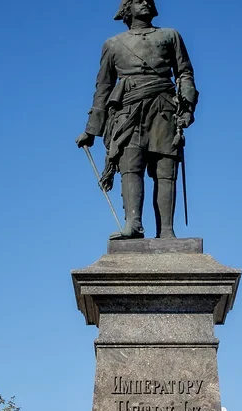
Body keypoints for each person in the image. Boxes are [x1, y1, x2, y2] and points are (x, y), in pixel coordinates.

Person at [76, 0, 198, 241]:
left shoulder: (170, 35)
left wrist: (187, 107)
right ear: (125, 10)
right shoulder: (112, 45)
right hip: (127, 111)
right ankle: (133, 224)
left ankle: (166, 231)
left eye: (147, 0)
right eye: (137, 0)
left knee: (165, 168)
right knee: (131, 166)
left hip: (163, 108)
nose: (144, 3)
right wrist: (91, 130)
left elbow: (184, 73)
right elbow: (103, 88)